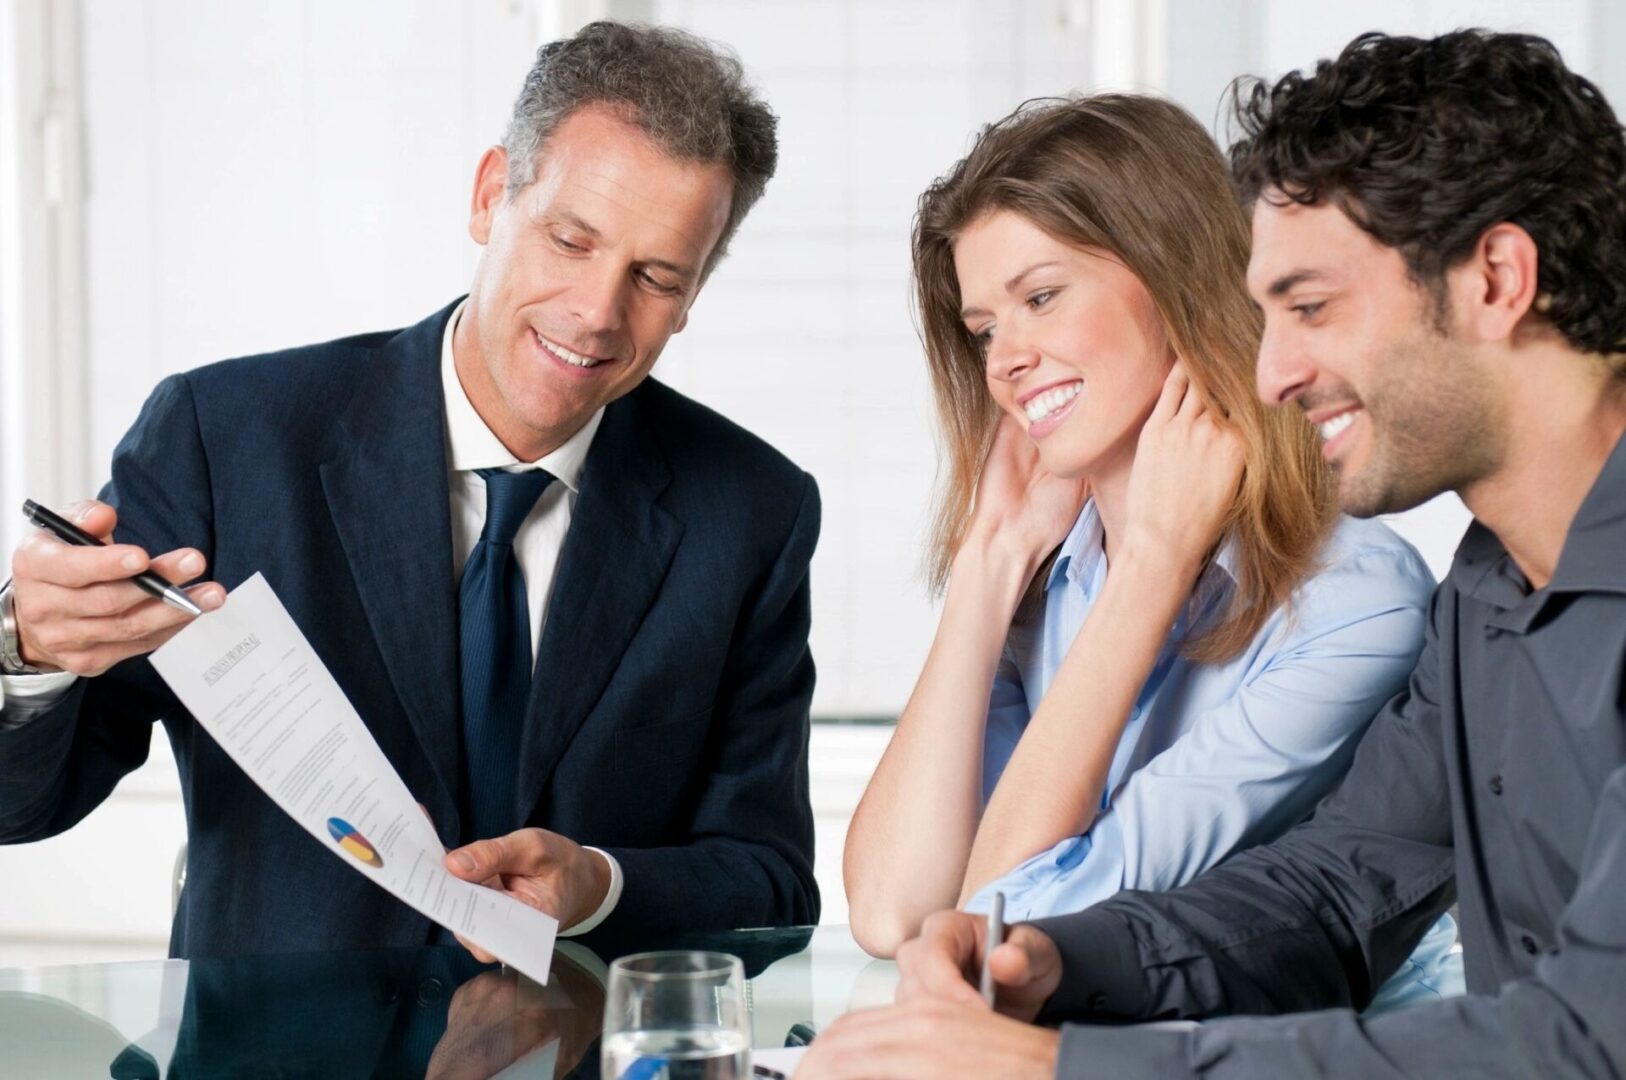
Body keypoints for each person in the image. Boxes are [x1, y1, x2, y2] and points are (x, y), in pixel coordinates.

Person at [801, 28, 1626, 1079]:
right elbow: (1332, 890)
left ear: (1497, 279)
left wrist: (1052, 1070)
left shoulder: (1381, 593)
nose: (1271, 373)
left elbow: (1588, 1038)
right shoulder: (1487, 588)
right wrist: (1061, 959)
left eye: (1311, 308)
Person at [0, 21, 820, 957]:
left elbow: (772, 884)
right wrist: (27, 648)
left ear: (696, 290)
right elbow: (22, 808)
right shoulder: (226, 438)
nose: (597, 313)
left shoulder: (752, 510)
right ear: (488, 199)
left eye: (657, 276)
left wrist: (599, 885)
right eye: (569, 239)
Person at [840, 93, 1455, 1007]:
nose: (1005, 359)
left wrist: (1157, 570)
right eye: (983, 330)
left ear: (1179, 282)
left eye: (1041, 297)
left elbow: (1007, 919)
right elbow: (892, 912)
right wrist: (989, 560)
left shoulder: (1353, 599)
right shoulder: (1050, 572)